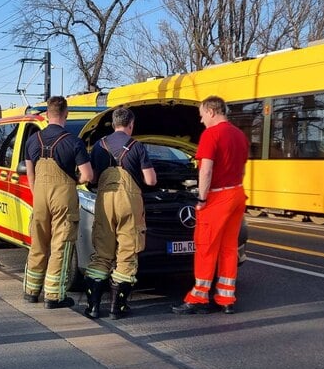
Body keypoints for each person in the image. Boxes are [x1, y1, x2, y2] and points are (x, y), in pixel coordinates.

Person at [173, 96, 248, 315]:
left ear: (211, 111)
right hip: (236, 193)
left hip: (216, 198)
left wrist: (202, 199)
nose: (201, 120)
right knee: (228, 247)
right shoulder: (240, 135)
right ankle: (226, 298)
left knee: (205, 247)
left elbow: (205, 170)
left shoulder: (211, 134)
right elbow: (242, 170)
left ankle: (199, 297)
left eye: (202, 115)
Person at [83, 107, 156, 320]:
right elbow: (151, 180)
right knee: (127, 252)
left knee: (102, 252)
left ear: (113, 124)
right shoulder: (137, 146)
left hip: (105, 201)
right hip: (129, 202)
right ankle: (117, 307)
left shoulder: (99, 145)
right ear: (130, 124)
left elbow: (93, 178)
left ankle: (93, 307)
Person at [23, 96, 94, 309]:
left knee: (39, 243)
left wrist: (38, 196)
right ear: (66, 114)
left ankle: (31, 290)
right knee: (60, 244)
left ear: (46, 114)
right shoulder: (73, 142)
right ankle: (54, 296)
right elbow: (87, 175)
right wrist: (75, 180)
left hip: (40, 195)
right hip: (63, 195)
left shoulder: (32, 140)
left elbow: (30, 173)